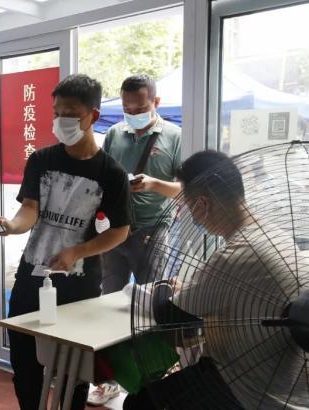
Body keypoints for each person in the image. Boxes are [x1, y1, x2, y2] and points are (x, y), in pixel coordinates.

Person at [123, 150, 303, 409]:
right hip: (290, 387)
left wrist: (165, 288)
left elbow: (171, 317)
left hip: (247, 390)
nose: (191, 216)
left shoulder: (234, 254)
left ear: (203, 205)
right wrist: (193, 291)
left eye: (188, 207)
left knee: (138, 404)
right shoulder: (278, 237)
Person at [0, 74, 131, 410]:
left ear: (93, 116)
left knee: (75, 372)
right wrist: (12, 226)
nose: (61, 121)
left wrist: (78, 251)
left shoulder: (111, 173)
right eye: (57, 113)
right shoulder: (41, 160)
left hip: (79, 285)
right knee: (25, 366)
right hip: (32, 276)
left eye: (70, 114)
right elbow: (30, 209)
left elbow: (119, 231)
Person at [90, 75, 182, 406]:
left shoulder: (175, 136)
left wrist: (154, 183)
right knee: (109, 300)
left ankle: (148, 380)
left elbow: (184, 189)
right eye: (127, 108)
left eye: (139, 108)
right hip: (116, 230)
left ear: (156, 103)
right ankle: (108, 378)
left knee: (148, 307)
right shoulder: (115, 134)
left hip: (153, 230)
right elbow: (102, 177)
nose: (132, 113)